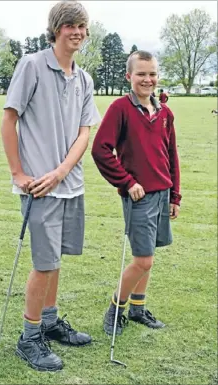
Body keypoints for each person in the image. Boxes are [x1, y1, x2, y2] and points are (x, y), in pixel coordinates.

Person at [1, 0, 100, 371]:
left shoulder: (85, 78)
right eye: (70, 25)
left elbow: (84, 133)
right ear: (56, 28)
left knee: (56, 261)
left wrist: (62, 171)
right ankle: (29, 338)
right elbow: (9, 120)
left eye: (82, 26)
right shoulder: (31, 65)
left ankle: (49, 320)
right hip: (38, 188)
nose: (77, 31)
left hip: (69, 184)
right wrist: (18, 174)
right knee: (43, 264)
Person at [91, 50, 181, 336]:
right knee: (144, 259)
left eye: (152, 73)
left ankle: (138, 309)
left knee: (149, 254)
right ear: (129, 76)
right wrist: (127, 182)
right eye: (141, 74)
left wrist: (175, 194)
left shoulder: (165, 112)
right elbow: (100, 150)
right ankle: (115, 309)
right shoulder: (120, 108)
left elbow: (171, 155)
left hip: (162, 192)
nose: (147, 79)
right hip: (138, 196)